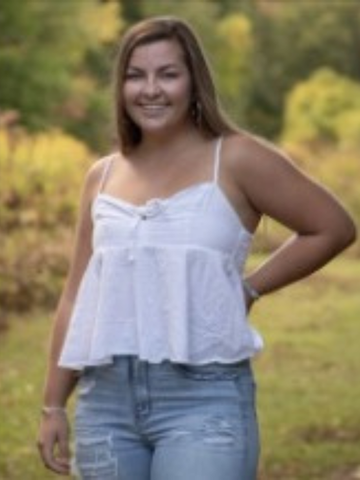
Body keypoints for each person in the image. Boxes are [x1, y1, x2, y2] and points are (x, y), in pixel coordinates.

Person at [37, 15, 356, 480]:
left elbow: (332, 227)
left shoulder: (237, 158)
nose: (151, 89)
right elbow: (74, 296)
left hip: (203, 400)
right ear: (121, 87)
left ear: (193, 82)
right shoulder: (102, 175)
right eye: (135, 75)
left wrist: (249, 290)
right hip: (104, 402)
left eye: (168, 74)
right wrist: (52, 404)